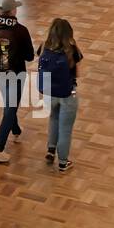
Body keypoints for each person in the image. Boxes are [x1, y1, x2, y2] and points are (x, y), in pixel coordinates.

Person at [0, 0, 34, 163]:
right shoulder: (21, 30)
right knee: (10, 108)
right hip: (16, 73)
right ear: (13, 10)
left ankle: (16, 130)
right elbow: (30, 56)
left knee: (9, 104)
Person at [38, 18, 83, 172]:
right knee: (66, 129)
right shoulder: (72, 48)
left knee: (54, 118)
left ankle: (51, 150)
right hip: (67, 93)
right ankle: (63, 162)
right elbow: (77, 73)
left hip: (49, 92)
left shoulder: (44, 45)